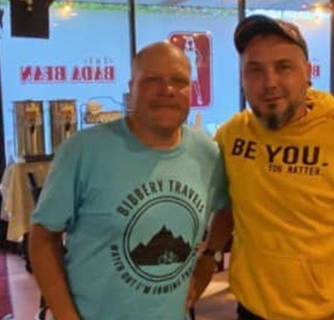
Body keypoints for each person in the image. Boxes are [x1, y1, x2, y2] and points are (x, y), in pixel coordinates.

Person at [188, 15, 334, 320]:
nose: (269, 82)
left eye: (283, 67)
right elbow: (228, 204)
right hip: (250, 310)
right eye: (255, 70)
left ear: (307, 73)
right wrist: (209, 254)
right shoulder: (232, 135)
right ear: (242, 78)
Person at [28, 41, 227, 320]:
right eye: (151, 80)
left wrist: (209, 259)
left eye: (179, 81)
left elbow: (227, 207)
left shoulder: (207, 153)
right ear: (131, 88)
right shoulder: (83, 150)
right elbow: (42, 240)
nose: (167, 90)